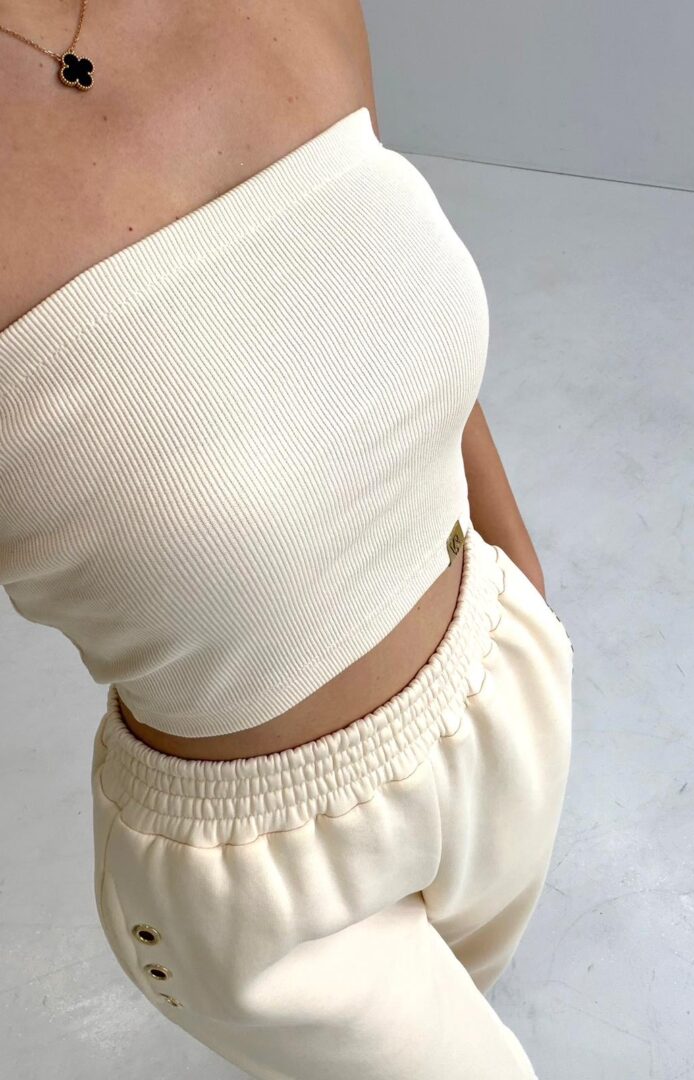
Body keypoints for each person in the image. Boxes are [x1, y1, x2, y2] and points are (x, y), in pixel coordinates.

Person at [0, 2, 574, 1077]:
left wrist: (517, 572)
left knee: (479, 999)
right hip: (271, 892)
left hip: (502, 687)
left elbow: (365, 288)